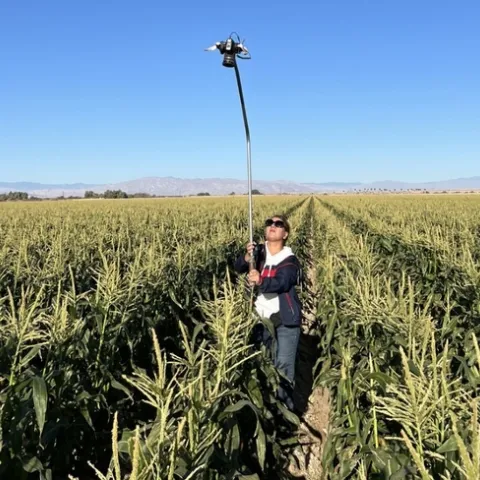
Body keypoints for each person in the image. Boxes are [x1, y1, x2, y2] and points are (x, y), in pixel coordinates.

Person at [234, 214, 303, 410]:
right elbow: (238, 267)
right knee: (262, 364)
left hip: (285, 321)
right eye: (269, 223)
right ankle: (266, 410)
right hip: (260, 319)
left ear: (285, 233)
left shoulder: (289, 260)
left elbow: (283, 281)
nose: (273, 226)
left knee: (283, 368)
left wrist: (261, 280)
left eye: (278, 224)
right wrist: (248, 257)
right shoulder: (259, 253)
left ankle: (286, 415)